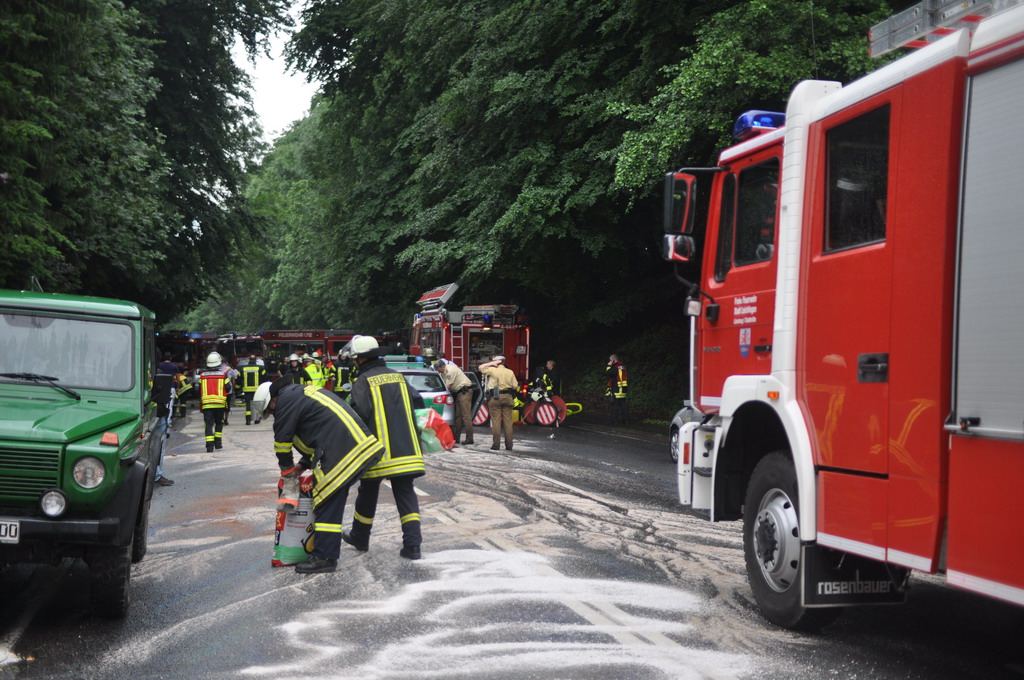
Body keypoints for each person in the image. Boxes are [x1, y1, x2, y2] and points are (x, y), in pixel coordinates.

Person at [252, 376, 385, 574]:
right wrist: (302, 466)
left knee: (326, 498)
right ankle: (335, 548)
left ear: (272, 401)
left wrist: (288, 474)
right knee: (330, 497)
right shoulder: (296, 395)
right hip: (354, 445)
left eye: (270, 411)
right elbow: (317, 433)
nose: (273, 415)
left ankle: (325, 557)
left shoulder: (286, 403)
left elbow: (282, 443)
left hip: (346, 448)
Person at [343, 335, 427, 560]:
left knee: (367, 493)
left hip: (378, 454)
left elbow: (356, 415)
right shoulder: (398, 377)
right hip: (407, 450)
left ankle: (360, 537)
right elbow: (419, 404)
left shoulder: (363, 381)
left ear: (360, 360)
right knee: (405, 493)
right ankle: (413, 546)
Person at [478, 355, 518, 451]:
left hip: (495, 397)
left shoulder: (492, 370)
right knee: (508, 422)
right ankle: (509, 445)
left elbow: (480, 368)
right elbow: (515, 386)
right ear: (504, 362)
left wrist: (491, 364)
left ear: (497, 362)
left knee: (496, 421)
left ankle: (496, 445)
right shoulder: (510, 371)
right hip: (508, 397)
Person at [436, 360, 474, 445]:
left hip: (465, 392)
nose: (439, 372)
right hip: (459, 393)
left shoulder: (450, 371)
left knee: (466, 416)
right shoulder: (443, 372)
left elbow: (447, 387)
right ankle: (456, 438)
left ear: (442, 366)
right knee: (458, 417)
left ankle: (470, 438)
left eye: (439, 369)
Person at [199, 352, 229, 451]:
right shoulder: (223, 375)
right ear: (219, 363)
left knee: (208, 424)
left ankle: (209, 446)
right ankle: (218, 443)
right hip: (220, 404)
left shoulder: (202, 375)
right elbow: (228, 388)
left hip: (207, 405)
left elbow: (200, 389)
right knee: (219, 423)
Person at [237, 355, 267, 425]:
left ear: (249, 360)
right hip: (257, 390)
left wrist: (238, 389)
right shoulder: (261, 368)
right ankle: (256, 420)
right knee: (256, 404)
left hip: (247, 390)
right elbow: (265, 377)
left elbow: (238, 379)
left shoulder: (243, 369)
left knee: (248, 405)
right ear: (255, 360)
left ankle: (248, 420)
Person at [606, 353, 629, 425]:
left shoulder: (615, 367)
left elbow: (608, 373)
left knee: (615, 404)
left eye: (610, 360)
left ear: (613, 360)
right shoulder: (622, 366)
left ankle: (614, 421)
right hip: (623, 388)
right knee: (623, 405)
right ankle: (625, 420)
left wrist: (609, 366)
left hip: (617, 388)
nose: (609, 361)